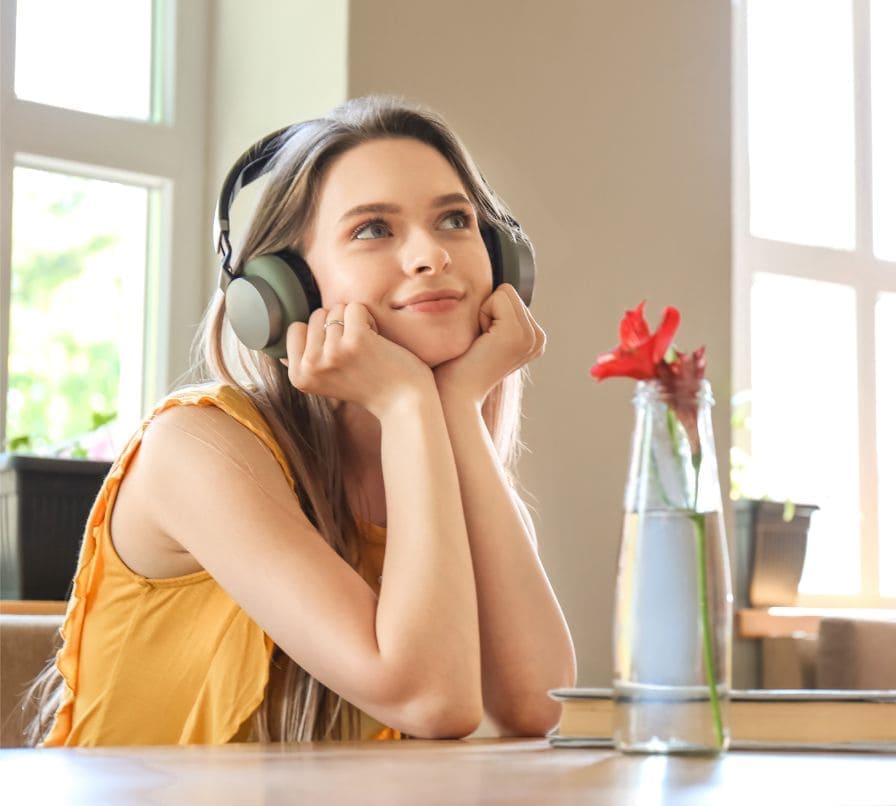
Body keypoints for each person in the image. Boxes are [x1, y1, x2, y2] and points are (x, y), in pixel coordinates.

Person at [22, 95, 576, 745]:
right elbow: (432, 700)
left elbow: (534, 706)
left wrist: (451, 407)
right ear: (285, 292)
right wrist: (405, 401)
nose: (432, 255)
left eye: (455, 219)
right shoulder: (194, 448)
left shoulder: (439, 461)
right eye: (374, 229)